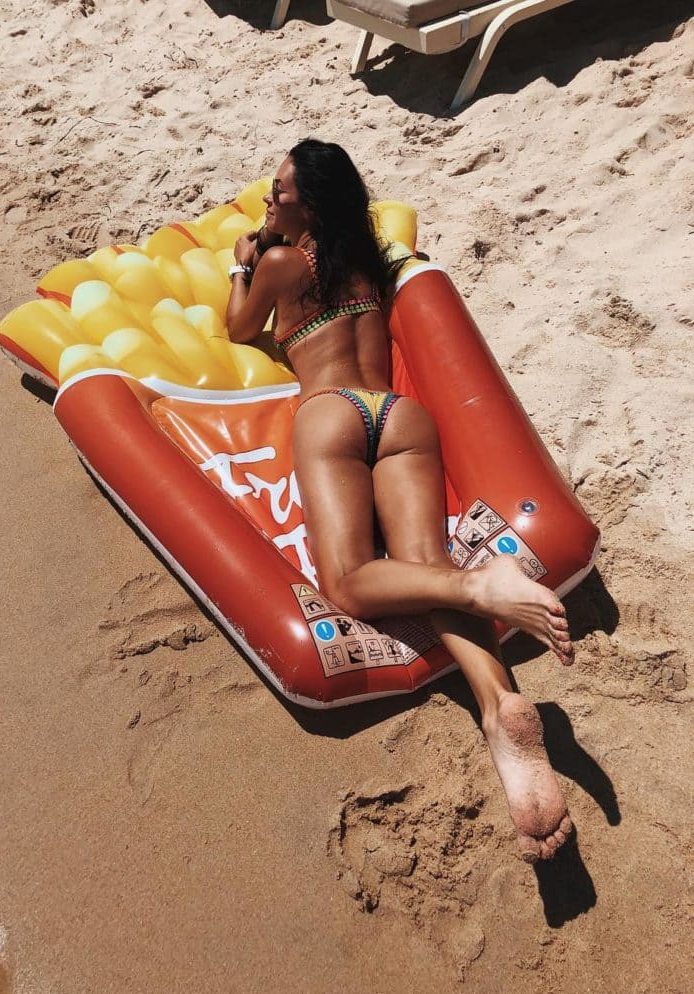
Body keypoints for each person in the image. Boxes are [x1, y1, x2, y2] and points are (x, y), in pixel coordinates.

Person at [226, 139, 574, 863]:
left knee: (349, 581)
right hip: (399, 416)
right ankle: (499, 710)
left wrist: (242, 263)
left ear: (309, 205)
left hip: (331, 413)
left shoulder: (283, 264)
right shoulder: (366, 264)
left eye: (279, 192)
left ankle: (480, 586)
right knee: (422, 567)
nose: (268, 200)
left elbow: (239, 327)